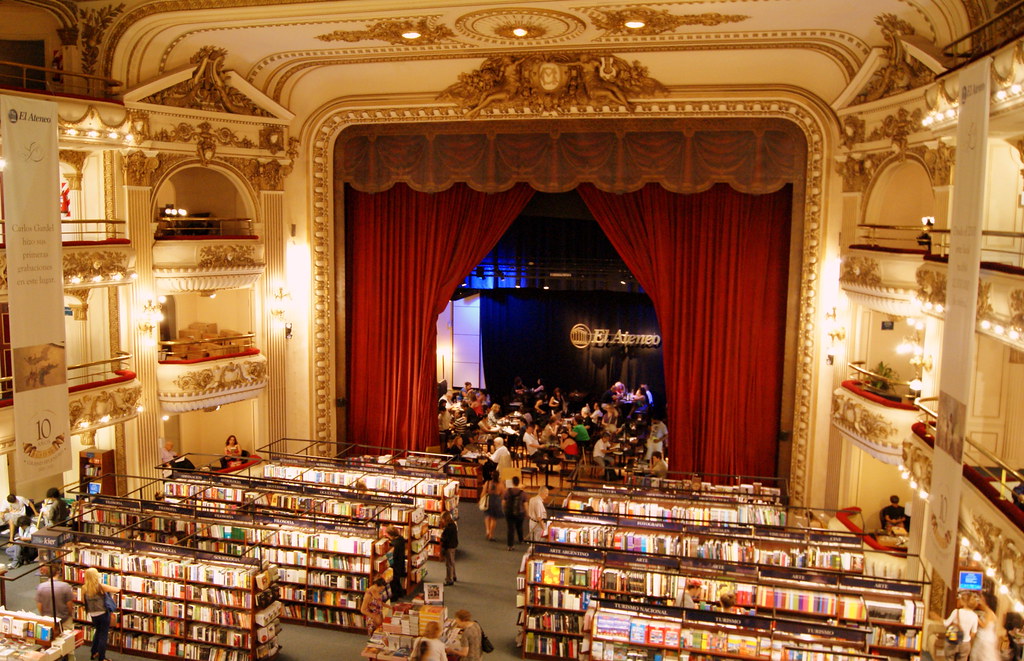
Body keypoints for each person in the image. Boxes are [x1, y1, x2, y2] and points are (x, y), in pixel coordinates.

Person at [83, 566, 119, 661]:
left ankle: (94, 652)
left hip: (93, 615)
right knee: (103, 635)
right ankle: (102, 658)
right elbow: (116, 589)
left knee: (98, 632)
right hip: (103, 614)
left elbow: (84, 602)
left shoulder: (84, 588)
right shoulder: (100, 586)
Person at [36, 563, 74, 631]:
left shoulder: (40, 587)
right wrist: (69, 615)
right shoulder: (65, 586)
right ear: (58, 572)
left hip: (48, 621)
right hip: (64, 620)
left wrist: (43, 616)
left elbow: (39, 606)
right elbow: (69, 605)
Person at [944, 591, 980, 661]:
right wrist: (967, 638)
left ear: (963, 601)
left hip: (953, 641)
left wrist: (939, 619)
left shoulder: (956, 612)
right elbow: (973, 633)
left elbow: (946, 624)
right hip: (965, 643)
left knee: (949, 658)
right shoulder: (975, 616)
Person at [972, 592, 1000, 661]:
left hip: (985, 639)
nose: (979, 600)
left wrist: (975, 617)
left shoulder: (990, 613)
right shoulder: (987, 612)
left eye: (981, 599)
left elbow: (984, 625)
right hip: (984, 638)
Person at [503, 476, 527, 550]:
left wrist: (505, 509)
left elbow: (503, 502)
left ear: (512, 482)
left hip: (509, 512)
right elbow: (525, 504)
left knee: (510, 529)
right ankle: (521, 540)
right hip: (520, 512)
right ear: (519, 482)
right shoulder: (522, 493)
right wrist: (526, 512)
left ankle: (510, 545)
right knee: (519, 526)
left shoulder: (508, 491)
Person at [482, 473, 505, 542]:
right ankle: (491, 534)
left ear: (492, 476)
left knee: (487, 516)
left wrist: (481, 499)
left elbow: (483, 492)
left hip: (489, 499)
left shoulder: (488, 483)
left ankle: (487, 530)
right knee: (494, 518)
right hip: (496, 500)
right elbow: (503, 494)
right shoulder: (501, 484)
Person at [386, 526, 407, 599]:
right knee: (397, 580)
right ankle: (400, 593)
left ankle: (394, 596)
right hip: (400, 562)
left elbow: (392, 555)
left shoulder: (394, 544)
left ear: (390, 535)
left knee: (394, 581)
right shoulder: (401, 539)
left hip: (395, 564)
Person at [440, 511, 459, 585]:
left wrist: (441, 538)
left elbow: (445, 539)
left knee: (449, 564)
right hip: (454, 545)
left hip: (449, 547)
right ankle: (454, 576)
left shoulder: (448, 528)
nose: (441, 521)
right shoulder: (453, 525)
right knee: (452, 562)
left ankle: (449, 579)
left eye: (442, 519)